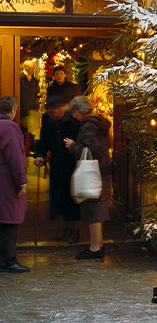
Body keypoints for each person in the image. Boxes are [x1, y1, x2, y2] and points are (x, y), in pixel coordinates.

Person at [63, 96, 112, 260]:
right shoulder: (97, 122)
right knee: (96, 209)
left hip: (94, 173)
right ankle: (99, 244)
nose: (73, 116)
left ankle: (95, 248)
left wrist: (73, 146)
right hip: (101, 171)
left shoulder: (88, 126)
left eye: (74, 113)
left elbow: (94, 149)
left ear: (78, 111)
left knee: (93, 211)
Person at [33, 96, 81, 243]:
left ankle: (74, 229)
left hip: (72, 164)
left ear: (65, 107)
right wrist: (40, 155)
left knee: (72, 198)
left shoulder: (74, 121)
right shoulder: (48, 123)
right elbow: (43, 142)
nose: (54, 111)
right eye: (51, 109)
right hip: (57, 165)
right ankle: (66, 229)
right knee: (59, 197)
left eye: (57, 108)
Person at [0, 96, 29, 273]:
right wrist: (22, 181)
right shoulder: (9, 127)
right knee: (9, 217)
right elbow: (15, 157)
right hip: (6, 180)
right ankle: (8, 260)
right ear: (12, 110)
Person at [19, 61, 40, 141]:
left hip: (33, 108)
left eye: (34, 68)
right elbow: (26, 93)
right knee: (27, 132)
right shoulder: (20, 78)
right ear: (25, 68)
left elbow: (36, 92)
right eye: (32, 68)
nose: (33, 70)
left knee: (34, 132)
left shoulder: (33, 79)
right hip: (25, 108)